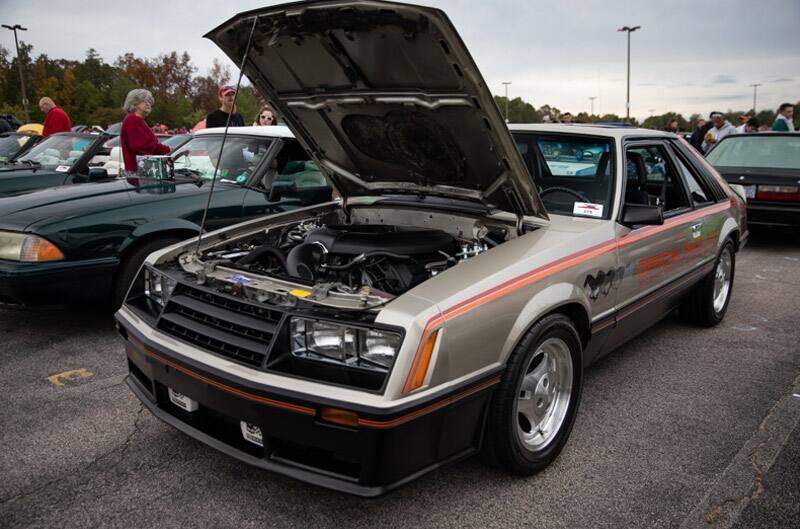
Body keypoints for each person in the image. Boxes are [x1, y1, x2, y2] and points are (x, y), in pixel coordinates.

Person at [119, 89, 171, 173]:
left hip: (142, 172)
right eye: (144, 101)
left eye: (149, 101)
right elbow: (140, 145)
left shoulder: (137, 120)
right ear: (134, 103)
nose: (148, 104)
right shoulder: (133, 119)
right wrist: (168, 150)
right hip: (139, 173)